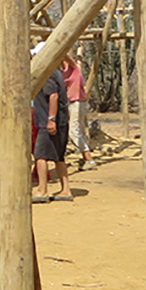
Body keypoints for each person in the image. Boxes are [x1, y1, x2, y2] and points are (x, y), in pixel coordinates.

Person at [31, 44, 71, 202]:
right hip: (61, 121)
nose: (33, 58)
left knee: (40, 156)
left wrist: (51, 119)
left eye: (35, 55)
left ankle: (42, 190)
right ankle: (65, 189)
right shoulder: (56, 72)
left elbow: (53, 96)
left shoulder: (47, 74)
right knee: (59, 157)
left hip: (49, 121)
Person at [61, 52, 97, 170]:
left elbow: (65, 54)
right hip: (72, 103)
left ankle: (89, 159)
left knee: (74, 132)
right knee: (79, 130)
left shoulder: (74, 67)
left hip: (77, 102)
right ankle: (85, 158)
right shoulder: (61, 72)